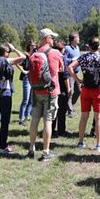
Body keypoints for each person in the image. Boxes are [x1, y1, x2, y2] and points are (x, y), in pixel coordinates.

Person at [68, 37, 100, 152]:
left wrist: (77, 79)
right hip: (99, 90)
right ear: (99, 46)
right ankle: (99, 145)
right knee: (98, 117)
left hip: (85, 89)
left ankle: (80, 142)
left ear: (89, 46)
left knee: (84, 116)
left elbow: (70, 67)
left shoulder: (84, 57)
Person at [28, 28, 64, 161]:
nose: (53, 40)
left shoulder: (34, 52)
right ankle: (46, 151)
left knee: (35, 120)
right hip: (50, 92)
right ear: (47, 38)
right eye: (52, 37)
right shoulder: (54, 52)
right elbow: (59, 70)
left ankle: (31, 148)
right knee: (48, 121)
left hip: (36, 90)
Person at [0, 43, 25, 154]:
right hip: (5, 94)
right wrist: (15, 49)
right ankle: (3, 147)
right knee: (4, 121)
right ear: (5, 53)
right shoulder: (4, 61)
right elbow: (23, 57)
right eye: (8, 52)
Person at [52, 42, 71, 137]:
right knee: (62, 111)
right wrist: (68, 89)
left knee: (53, 110)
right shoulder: (62, 58)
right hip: (62, 88)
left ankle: (51, 130)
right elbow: (65, 76)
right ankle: (61, 131)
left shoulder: (50, 56)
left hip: (53, 87)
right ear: (62, 50)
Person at [16, 41, 37, 127]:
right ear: (29, 46)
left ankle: (27, 115)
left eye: (35, 45)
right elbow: (17, 62)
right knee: (26, 98)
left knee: (31, 99)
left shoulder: (35, 55)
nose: (34, 46)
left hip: (33, 79)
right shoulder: (25, 55)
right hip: (26, 78)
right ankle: (21, 118)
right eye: (32, 45)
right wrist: (23, 71)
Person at [65, 32, 81, 118]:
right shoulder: (67, 48)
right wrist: (72, 60)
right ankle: (70, 111)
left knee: (78, 90)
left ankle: (71, 105)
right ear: (73, 39)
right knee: (69, 92)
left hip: (77, 72)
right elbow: (64, 59)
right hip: (70, 73)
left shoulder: (77, 47)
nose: (79, 39)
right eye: (77, 37)